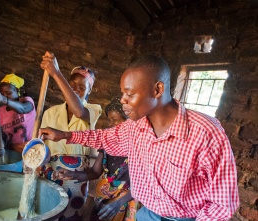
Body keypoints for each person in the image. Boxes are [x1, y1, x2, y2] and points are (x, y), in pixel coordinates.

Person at [39, 55, 239, 221]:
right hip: (147, 215)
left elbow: (221, 204)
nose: (123, 101)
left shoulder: (205, 133)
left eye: (129, 94)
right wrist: (64, 135)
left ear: (157, 90)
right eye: (122, 93)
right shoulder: (136, 127)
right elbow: (105, 138)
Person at [39, 51, 102, 220]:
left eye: (82, 87)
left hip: (78, 177)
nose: (75, 90)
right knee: (49, 211)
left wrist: (56, 73)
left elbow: (79, 111)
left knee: (72, 215)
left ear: (89, 91)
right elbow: (41, 145)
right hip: (51, 172)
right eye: (72, 85)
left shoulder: (93, 110)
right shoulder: (50, 113)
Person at [55, 97, 140, 221]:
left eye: (115, 120)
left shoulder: (138, 147)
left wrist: (117, 203)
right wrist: (72, 174)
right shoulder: (108, 142)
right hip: (107, 199)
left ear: (128, 123)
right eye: (110, 120)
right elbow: (95, 172)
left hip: (129, 201)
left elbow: (143, 184)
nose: (111, 124)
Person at [0, 73, 36, 153]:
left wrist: (3, 99)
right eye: (2, 93)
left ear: (18, 91)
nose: (5, 96)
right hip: (11, 152)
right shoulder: (1, 111)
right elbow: (1, 135)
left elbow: (23, 109)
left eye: (9, 93)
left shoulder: (27, 101)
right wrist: (1, 145)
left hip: (31, 150)